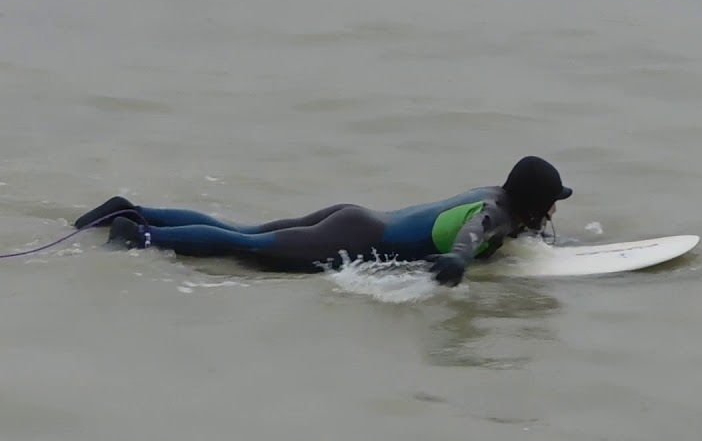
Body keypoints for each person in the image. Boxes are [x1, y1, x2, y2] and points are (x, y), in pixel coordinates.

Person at [73, 155, 572, 286]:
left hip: (354, 218)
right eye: (552, 202)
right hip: (353, 238)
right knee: (248, 247)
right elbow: (474, 231)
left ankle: (130, 209)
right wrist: (459, 260)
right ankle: (139, 234)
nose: (553, 211)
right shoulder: (497, 214)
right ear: (530, 200)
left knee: (245, 230)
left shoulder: (497, 193)